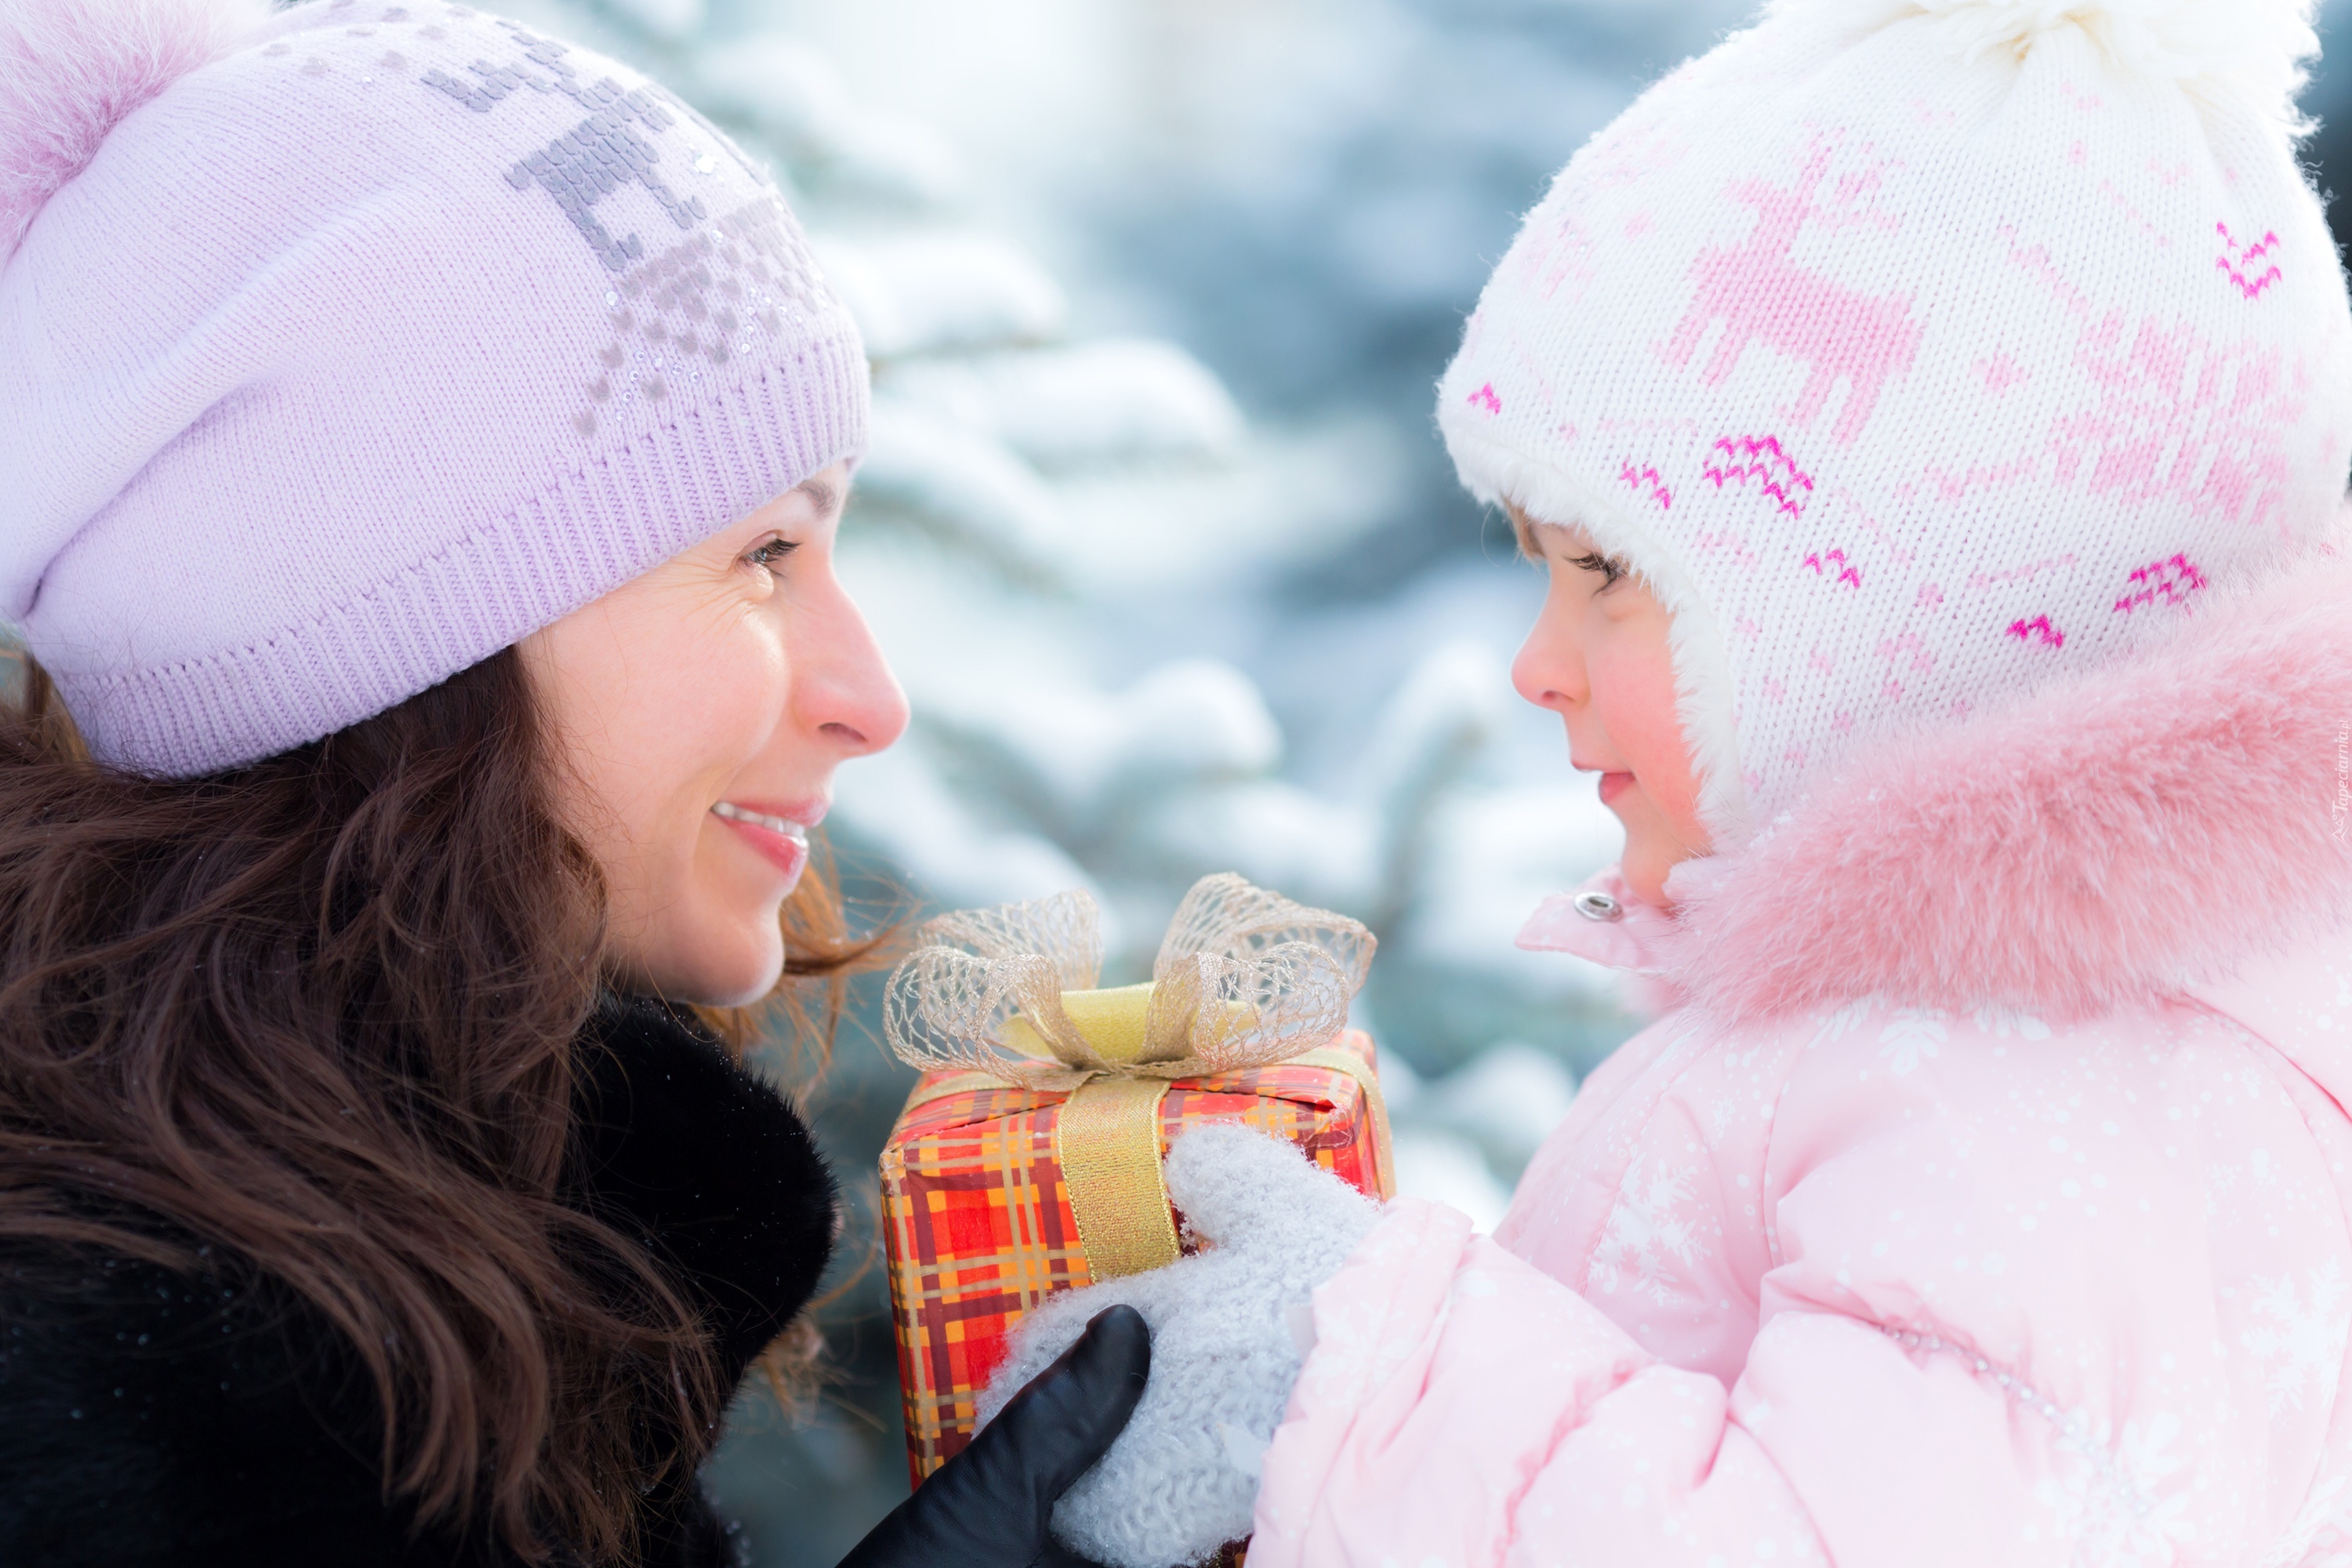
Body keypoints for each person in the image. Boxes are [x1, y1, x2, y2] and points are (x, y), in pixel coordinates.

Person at [978, 0, 2352, 1563]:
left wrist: (1361, 1381)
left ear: (1892, 621)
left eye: (1608, 572)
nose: (1536, 662)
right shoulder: (1963, 1039)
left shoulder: (2048, 1093)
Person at [0, 2, 1147, 1564]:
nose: (869, 699)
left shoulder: (378, 1282)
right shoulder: (166, 1409)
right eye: (759, 554)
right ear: (398, 633)